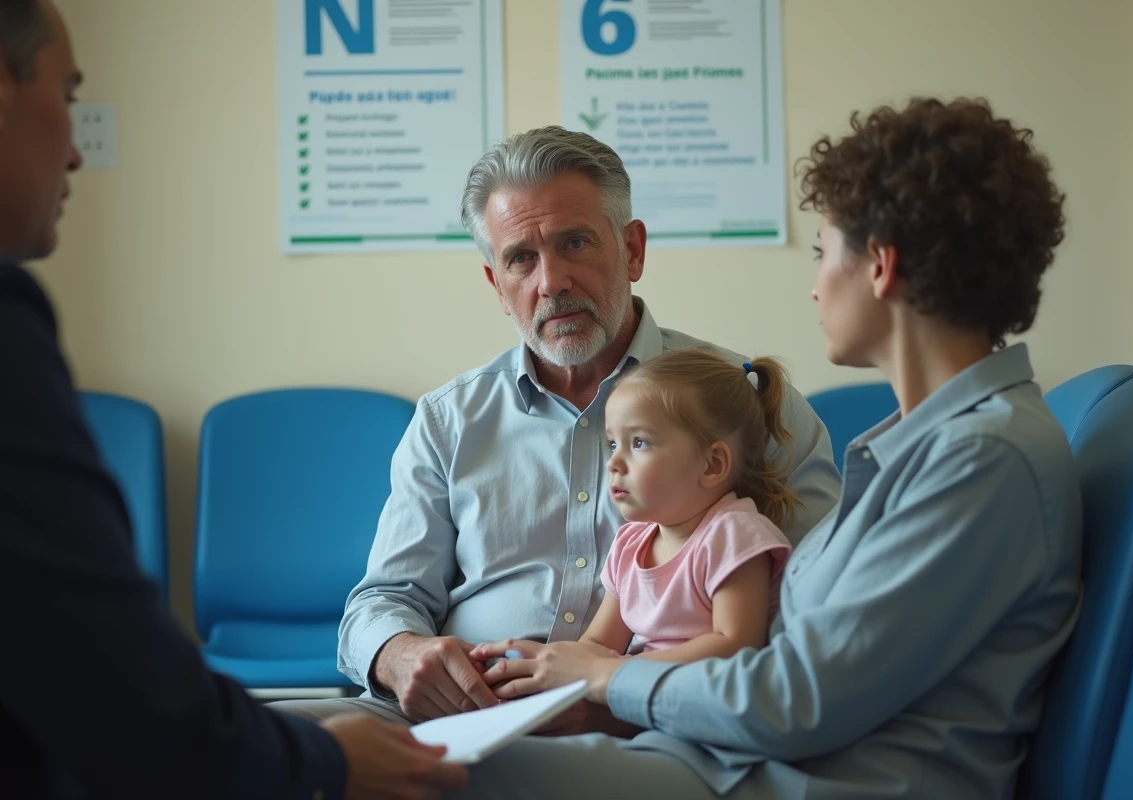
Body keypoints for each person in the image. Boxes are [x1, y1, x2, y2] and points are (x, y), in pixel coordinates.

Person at [464, 97, 1084, 799]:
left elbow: (799, 700)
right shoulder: (931, 444)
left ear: (880, 265)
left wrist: (602, 677)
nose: (815, 284)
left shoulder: (980, 457)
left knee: (430, 775)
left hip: (799, 779)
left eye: (824, 253)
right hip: (733, 755)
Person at [0, 1, 467, 797]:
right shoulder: (452, 417)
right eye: (69, 96)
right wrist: (330, 755)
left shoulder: (713, 400)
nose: (78, 151)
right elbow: (106, 672)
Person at [275, 127, 841, 729]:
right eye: (521, 258)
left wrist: (624, 697)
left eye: (575, 243)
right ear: (497, 283)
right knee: (248, 753)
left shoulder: (742, 402)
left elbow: (819, 616)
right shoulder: (447, 420)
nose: (552, 282)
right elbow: (383, 600)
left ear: (634, 251)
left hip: (655, 723)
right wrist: (402, 656)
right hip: (457, 717)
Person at [487, 347, 795, 678]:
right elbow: (598, 644)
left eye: (639, 443)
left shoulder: (735, 535)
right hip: (633, 701)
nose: (614, 464)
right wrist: (541, 666)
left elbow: (736, 645)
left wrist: (613, 671)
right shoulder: (630, 543)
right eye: (612, 444)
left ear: (712, 464)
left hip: (708, 712)